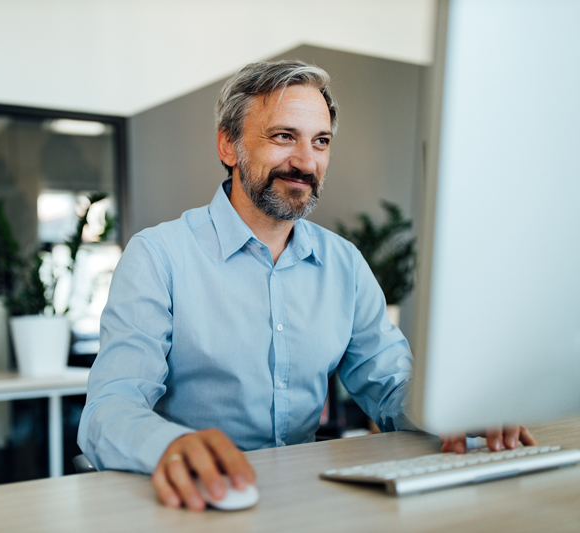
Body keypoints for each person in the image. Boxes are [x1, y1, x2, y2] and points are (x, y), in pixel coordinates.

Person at [77, 60, 535, 512]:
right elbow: (109, 408)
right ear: (228, 145)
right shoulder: (158, 256)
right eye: (283, 136)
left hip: (305, 504)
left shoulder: (343, 263)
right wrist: (169, 447)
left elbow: (392, 385)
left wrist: (454, 412)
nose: (305, 162)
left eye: (321, 141)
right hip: (194, 504)